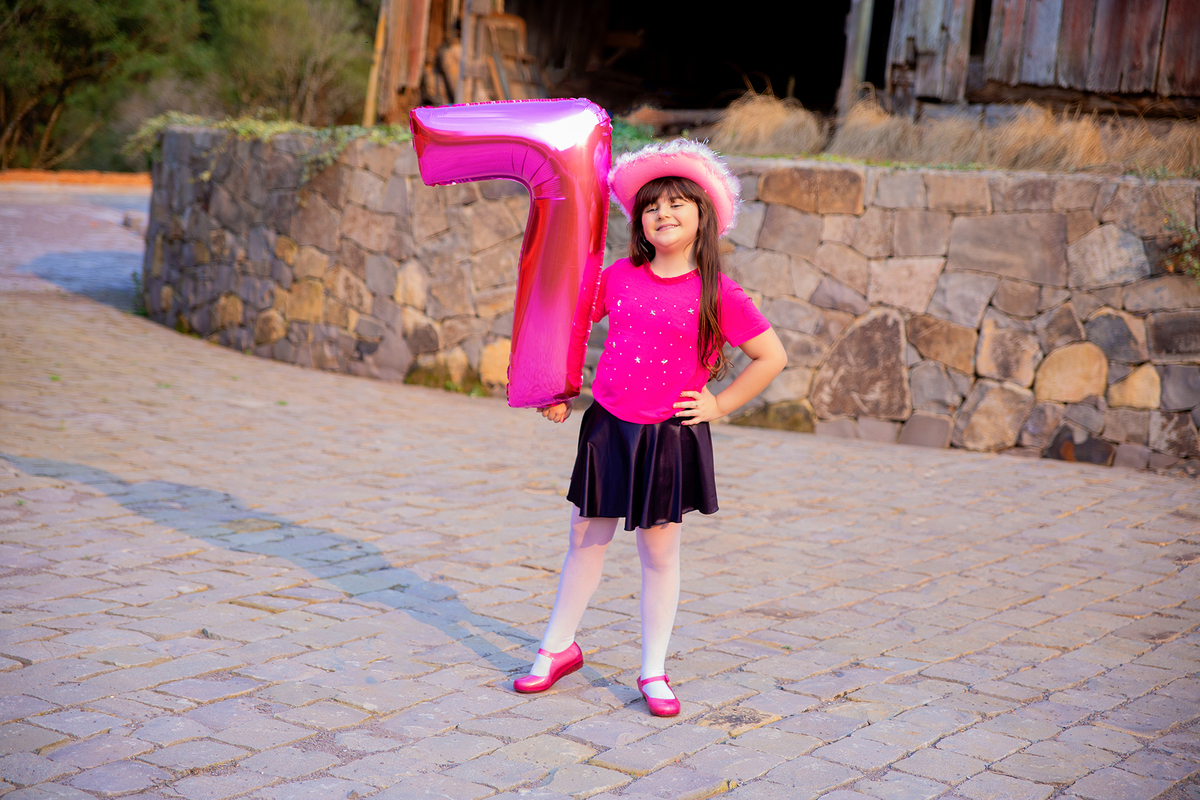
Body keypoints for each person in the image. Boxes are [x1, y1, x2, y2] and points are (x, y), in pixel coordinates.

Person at [512, 139, 787, 717]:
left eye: (677, 203)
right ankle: (556, 648)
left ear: (703, 215)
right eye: (651, 205)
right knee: (586, 540)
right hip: (609, 428)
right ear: (638, 220)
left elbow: (772, 356)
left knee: (659, 555)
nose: (662, 213)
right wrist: (557, 389)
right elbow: (565, 325)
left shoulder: (719, 293)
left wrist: (720, 405)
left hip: (667, 438)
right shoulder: (618, 277)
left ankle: (653, 670)